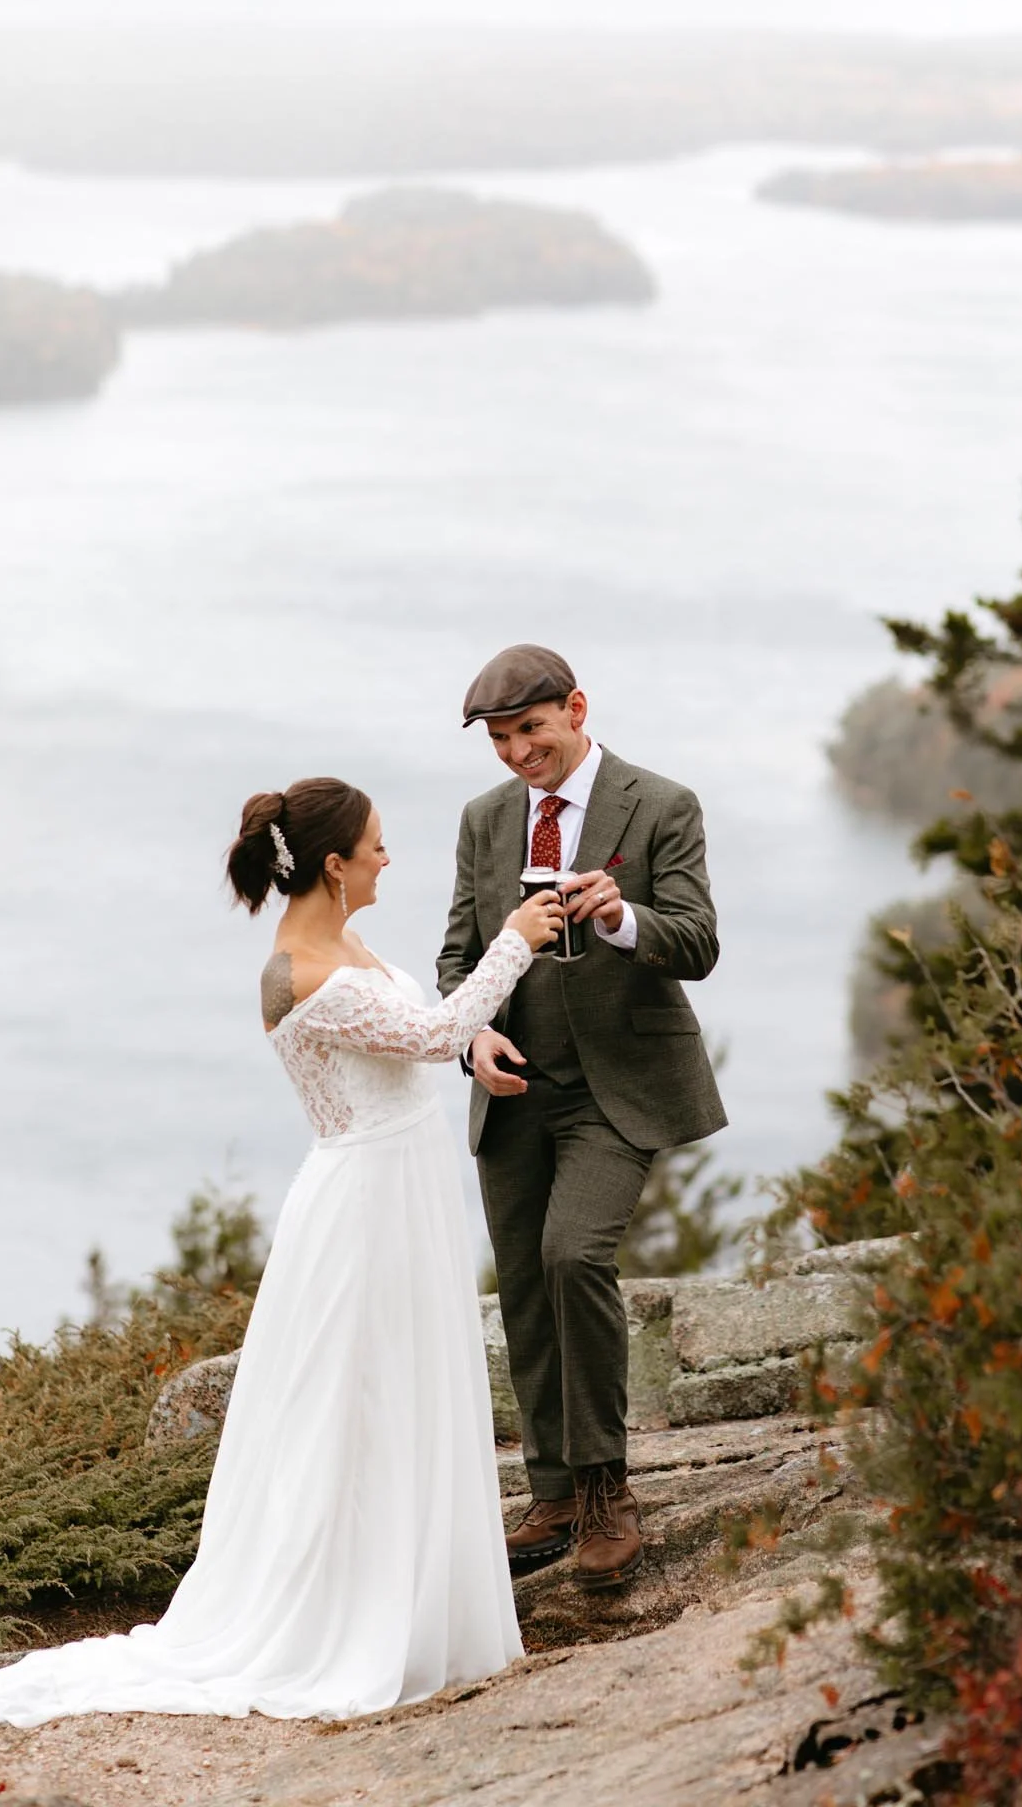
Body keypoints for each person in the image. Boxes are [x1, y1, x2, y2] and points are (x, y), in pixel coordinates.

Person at [0, 778, 562, 1730]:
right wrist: (514, 939)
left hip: (403, 1186)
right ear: (335, 865)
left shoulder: (344, 945)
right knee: (359, 1400)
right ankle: (358, 1614)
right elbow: (430, 1028)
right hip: (365, 1203)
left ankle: (414, 1598)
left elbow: (420, 1040)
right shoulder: (300, 975)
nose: (389, 857)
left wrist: (472, 1044)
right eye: (377, 845)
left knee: (406, 1389)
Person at [438, 645, 727, 1591]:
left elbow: (698, 944)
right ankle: (553, 1494)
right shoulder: (485, 820)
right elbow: (456, 960)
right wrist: (471, 1037)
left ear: (576, 708)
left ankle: (607, 1492)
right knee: (525, 1285)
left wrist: (619, 916)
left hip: (617, 1089)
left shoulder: (661, 803)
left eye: (531, 729)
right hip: (513, 1087)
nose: (518, 752)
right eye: (500, 739)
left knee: (574, 1256)